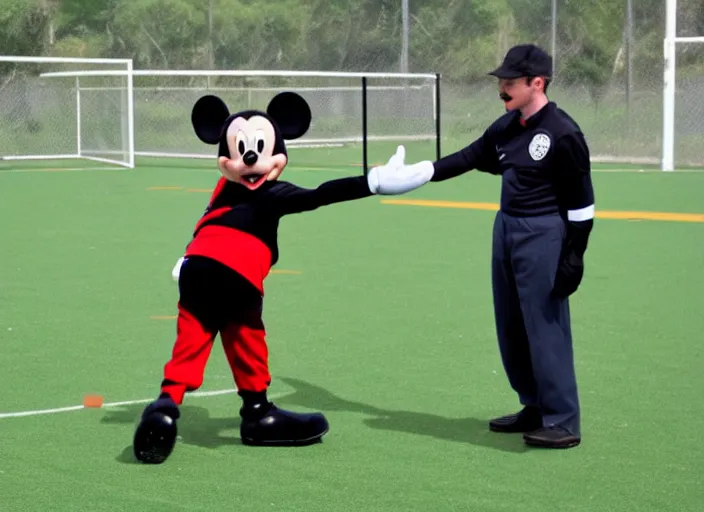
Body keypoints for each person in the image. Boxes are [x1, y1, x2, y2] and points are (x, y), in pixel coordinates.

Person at [370, 44, 595, 449]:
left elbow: (582, 203)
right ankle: (534, 406)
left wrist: (574, 255)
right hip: (505, 228)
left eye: (510, 82)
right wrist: (413, 175)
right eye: (501, 82)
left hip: (543, 233)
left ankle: (562, 420)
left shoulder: (563, 132)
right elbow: (467, 158)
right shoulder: (507, 127)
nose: (502, 89)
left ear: (536, 83)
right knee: (511, 324)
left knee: (544, 326)